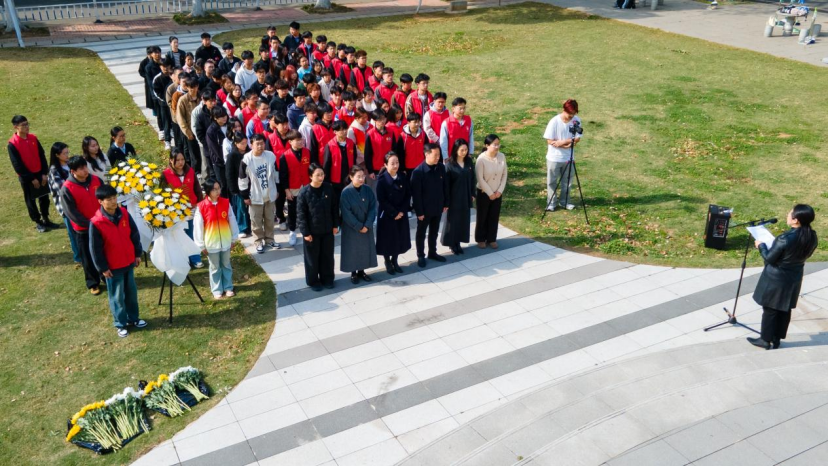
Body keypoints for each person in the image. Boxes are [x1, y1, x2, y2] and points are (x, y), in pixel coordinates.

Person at [748, 205, 819, 350]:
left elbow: (769, 258)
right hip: (794, 277)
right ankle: (776, 339)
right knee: (784, 308)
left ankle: (765, 340)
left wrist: (761, 246)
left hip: (776, 279)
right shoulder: (812, 236)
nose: (787, 215)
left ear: (796, 220)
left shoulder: (784, 239)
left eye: (790, 213)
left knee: (770, 309)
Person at [89, 184, 145, 338]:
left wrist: (137, 254)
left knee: (131, 293)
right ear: (100, 201)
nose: (113, 201)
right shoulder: (96, 222)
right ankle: (120, 323)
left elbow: (134, 234)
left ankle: (134, 318)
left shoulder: (124, 214)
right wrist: (103, 268)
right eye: (109, 199)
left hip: (128, 262)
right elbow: (95, 249)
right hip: (112, 267)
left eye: (114, 198)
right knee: (117, 296)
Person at [60, 156, 104, 294]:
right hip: (83, 230)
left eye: (85, 166)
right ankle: (93, 283)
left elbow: (104, 199)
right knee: (87, 256)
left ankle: (105, 275)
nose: (85, 170)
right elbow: (71, 213)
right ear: (73, 171)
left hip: (101, 225)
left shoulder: (96, 180)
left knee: (103, 252)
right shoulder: (67, 188)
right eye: (81, 169)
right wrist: (90, 224)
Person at [8, 115, 55, 233]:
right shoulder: (12, 144)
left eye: (27, 124)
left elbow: (41, 155)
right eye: (23, 125)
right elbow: (17, 165)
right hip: (27, 177)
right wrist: (31, 178)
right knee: (31, 200)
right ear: (15, 127)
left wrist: (44, 173)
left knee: (44, 197)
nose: (27, 127)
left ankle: (46, 218)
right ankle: (38, 222)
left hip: (40, 173)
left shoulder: (33, 138)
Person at [194, 179, 239, 299]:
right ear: (208, 191)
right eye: (214, 189)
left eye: (219, 188)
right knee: (214, 267)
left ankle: (228, 287)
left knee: (226, 265)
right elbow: (198, 227)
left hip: (225, 241)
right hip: (211, 243)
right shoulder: (201, 206)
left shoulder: (225, 203)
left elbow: (232, 220)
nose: (218, 191)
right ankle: (217, 289)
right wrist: (201, 245)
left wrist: (233, 238)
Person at [297, 163, 339, 291]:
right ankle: (313, 281)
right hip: (312, 233)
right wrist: (305, 233)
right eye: (317, 175)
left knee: (327, 256)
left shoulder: (328, 188)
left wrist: (335, 225)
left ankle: (327, 279)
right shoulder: (304, 193)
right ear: (310, 176)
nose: (321, 177)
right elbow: (301, 215)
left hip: (327, 230)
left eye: (322, 174)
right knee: (312, 258)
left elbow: (334, 207)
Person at [163, 150, 205, 268]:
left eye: (182, 159)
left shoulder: (190, 171)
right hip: (175, 210)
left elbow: (197, 188)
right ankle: (183, 259)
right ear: (171, 160)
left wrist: (200, 204)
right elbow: (162, 193)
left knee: (192, 233)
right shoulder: (165, 174)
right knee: (179, 235)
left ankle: (195, 258)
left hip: (191, 208)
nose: (181, 162)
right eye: (178, 160)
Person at [239, 133, 280, 253]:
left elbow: (276, 173)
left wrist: (277, 189)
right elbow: (242, 179)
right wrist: (245, 196)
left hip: (269, 193)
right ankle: (258, 241)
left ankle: (270, 239)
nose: (260, 146)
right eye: (257, 144)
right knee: (256, 221)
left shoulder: (270, 156)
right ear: (251, 145)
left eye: (262, 143)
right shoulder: (247, 159)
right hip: (255, 195)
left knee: (269, 219)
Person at [411, 143, 449, 267]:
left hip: (438, 206)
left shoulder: (441, 167)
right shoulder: (418, 172)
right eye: (435, 155)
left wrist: (446, 202)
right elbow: (416, 195)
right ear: (426, 154)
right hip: (425, 210)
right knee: (421, 233)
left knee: (434, 231)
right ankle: (420, 255)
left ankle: (432, 252)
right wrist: (419, 212)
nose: (438, 157)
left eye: (439, 155)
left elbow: (445, 186)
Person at [339, 165, 378, 284]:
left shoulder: (367, 189)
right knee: (353, 249)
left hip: (366, 225)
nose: (361, 179)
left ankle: (362, 271)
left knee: (364, 249)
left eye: (363, 176)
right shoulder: (346, 192)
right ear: (351, 177)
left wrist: (367, 224)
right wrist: (359, 226)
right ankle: (353, 273)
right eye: (358, 176)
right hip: (352, 227)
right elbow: (346, 213)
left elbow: (373, 207)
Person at [543, 99, 582, 211]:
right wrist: (564, 145)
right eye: (570, 114)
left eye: (573, 113)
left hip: (569, 158)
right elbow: (549, 140)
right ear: (564, 110)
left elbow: (577, 138)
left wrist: (563, 142)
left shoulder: (576, 120)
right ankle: (551, 203)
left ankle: (565, 202)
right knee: (552, 182)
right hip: (554, 158)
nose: (571, 116)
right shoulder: (554, 121)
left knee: (567, 182)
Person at [375, 152, 410, 275]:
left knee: (399, 237)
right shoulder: (382, 180)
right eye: (392, 163)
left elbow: (407, 195)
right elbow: (382, 200)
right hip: (387, 215)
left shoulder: (402, 176)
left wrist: (402, 211)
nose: (395, 166)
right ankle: (387, 261)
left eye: (397, 163)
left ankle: (395, 260)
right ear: (385, 165)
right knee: (388, 239)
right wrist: (394, 213)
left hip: (401, 213)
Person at [47, 142, 82, 265]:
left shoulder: (69, 165)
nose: (67, 155)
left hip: (79, 203)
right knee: (73, 233)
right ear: (57, 155)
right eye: (65, 153)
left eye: (68, 152)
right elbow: (61, 190)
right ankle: (78, 256)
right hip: (66, 207)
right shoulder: (54, 171)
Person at [442, 139, 476, 255]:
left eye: (466, 150)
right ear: (456, 150)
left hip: (465, 195)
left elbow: (472, 178)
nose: (464, 152)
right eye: (462, 150)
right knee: (453, 221)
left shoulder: (468, 162)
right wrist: (446, 201)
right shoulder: (449, 165)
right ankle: (452, 243)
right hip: (454, 197)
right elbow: (446, 185)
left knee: (463, 220)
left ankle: (459, 242)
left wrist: (472, 193)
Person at [279, 130, 312, 246]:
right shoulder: (285, 156)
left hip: (307, 185)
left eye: (301, 139)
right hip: (293, 187)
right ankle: (292, 231)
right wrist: (287, 190)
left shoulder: (307, 152)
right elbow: (283, 176)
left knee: (308, 209)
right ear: (290, 142)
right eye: (297, 140)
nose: (301, 142)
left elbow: (312, 168)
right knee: (292, 210)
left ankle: (307, 231)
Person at [475, 134, 508, 249]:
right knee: (482, 216)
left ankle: (492, 238)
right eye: (494, 144)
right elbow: (480, 178)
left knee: (494, 216)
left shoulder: (502, 156)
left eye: (498, 144)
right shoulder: (481, 159)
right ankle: (480, 239)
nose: (497, 147)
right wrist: (490, 193)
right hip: (484, 193)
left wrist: (499, 191)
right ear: (487, 145)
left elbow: (504, 175)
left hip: (497, 193)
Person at [225, 131, 252, 238]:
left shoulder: (250, 153)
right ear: (236, 143)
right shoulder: (232, 156)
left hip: (250, 185)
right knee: (241, 209)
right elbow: (229, 174)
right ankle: (242, 228)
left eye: (245, 142)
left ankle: (251, 227)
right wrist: (233, 190)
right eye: (242, 143)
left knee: (251, 208)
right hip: (238, 187)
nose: (244, 145)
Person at [176, 77, 202, 174]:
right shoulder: (183, 100)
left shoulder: (201, 97)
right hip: (190, 133)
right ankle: (196, 173)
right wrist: (188, 133)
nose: (193, 90)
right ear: (187, 87)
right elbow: (180, 118)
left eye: (195, 87)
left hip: (201, 131)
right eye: (191, 88)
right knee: (194, 155)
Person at [205, 106, 229, 195]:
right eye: (221, 116)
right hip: (219, 162)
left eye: (225, 115)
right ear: (215, 118)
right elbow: (214, 149)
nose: (224, 118)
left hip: (230, 160)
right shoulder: (211, 131)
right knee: (222, 185)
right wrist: (224, 160)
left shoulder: (229, 125)